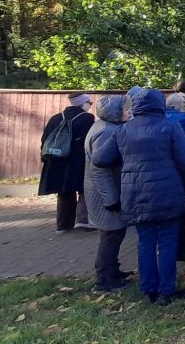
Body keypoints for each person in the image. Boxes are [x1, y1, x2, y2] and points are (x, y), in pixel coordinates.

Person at [92, 88, 185, 305]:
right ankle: (166, 291)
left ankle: (149, 289)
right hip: (167, 192)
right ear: (160, 103)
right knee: (167, 242)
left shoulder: (123, 130)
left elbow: (100, 158)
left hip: (135, 193)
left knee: (145, 241)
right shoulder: (170, 126)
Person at [83, 95, 131, 293]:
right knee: (111, 235)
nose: (129, 112)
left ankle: (112, 270)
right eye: (125, 109)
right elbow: (99, 169)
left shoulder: (104, 126)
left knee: (113, 234)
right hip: (105, 194)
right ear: (114, 111)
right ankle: (104, 279)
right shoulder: (106, 131)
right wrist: (111, 199)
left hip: (103, 191)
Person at [39, 92, 96, 233]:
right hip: (78, 160)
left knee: (64, 193)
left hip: (57, 161)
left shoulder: (56, 118)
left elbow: (44, 140)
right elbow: (90, 140)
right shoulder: (87, 118)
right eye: (89, 103)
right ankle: (83, 221)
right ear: (82, 103)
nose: (90, 105)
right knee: (84, 189)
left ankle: (63, 225)